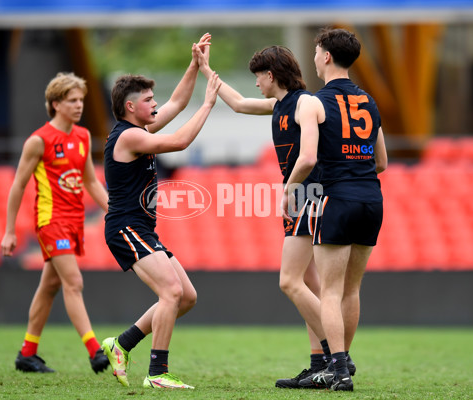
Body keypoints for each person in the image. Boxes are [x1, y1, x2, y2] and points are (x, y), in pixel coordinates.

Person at [197, 45, 333, 389]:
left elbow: (309, 158)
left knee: (290, 281)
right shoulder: (280, 104)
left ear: (270, 75)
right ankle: (321, 362)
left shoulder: (303, 103)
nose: (256, 82)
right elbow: (240, 103)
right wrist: (205, 69)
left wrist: (288, 189)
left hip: (307, 195)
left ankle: (338, 355)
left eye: (258, 76)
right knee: (309, 283)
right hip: (302, 195)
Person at [100, 33, 221, 390]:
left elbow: (179, 101)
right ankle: (157, 373)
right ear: (130, 107)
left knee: (186, 297)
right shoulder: (129, 136)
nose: (156, 104)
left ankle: (121, 344)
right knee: (170, 292)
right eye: (149, 100)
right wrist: (209, 104)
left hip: (141, 228)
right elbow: (181, 140)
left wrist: (195, 63)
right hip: (125, 226)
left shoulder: (141, 127)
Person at [282, 27, 388, 392]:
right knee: (351, 290)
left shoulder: (312, 102)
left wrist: (289, 187)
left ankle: (338, 369)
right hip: (372, 200)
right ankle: (339, 364)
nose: (313, 57)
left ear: (326, 56)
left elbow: (308, 156)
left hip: (337, 199)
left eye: (316, 52)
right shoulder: (370, 101)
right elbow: (382, 162)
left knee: (328, 290)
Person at [1, 72, 110, 374]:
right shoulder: (39, 141)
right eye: (72, 101)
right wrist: (10, 231)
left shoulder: (83, 136)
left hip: (74, 221)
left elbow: (90, 180)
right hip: (51, 222)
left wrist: (113, 210)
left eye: (81, 100)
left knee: (49, 286)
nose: (79, 106)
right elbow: (18, 186)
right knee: (73, 282)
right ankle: (94, 351)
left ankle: (27, 353)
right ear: (55, 104)